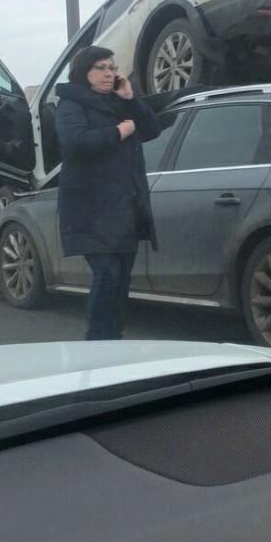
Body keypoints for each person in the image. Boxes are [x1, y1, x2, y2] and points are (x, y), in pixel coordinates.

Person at [54, 45, 161, 340]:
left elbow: (153, 128)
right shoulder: (70, 104)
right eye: (100, 67)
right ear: (83, 72)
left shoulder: (119, 102)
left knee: (122, 276)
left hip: (124, 204)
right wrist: (119, 132)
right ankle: (97, 341)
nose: (108, 73)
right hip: (90, 207)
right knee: (108, 273)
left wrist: (131, 99)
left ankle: (113, 339)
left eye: (112, 67)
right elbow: (76, 141)